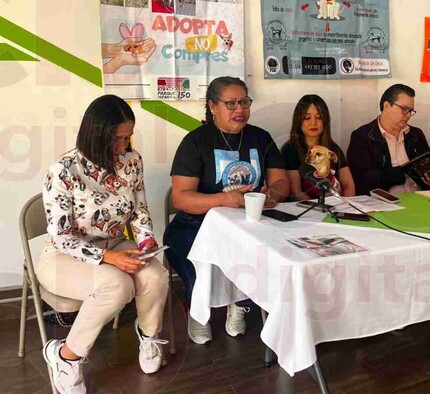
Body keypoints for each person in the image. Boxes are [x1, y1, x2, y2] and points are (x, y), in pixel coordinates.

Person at [39, 95, 170, 393]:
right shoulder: (64, 170)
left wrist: (147, 239)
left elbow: (139, 210)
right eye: (117, 139)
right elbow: (62, 236)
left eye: (128, 137)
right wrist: (111, 258)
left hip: (115, 243)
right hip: (64, 254)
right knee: (118, 286)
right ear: (95, 135)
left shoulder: (132, 161)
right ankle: (65, 356)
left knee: (155, 274)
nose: (123, 146)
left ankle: (149, 337)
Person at [163, 76, 289, 344]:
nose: (239, 109)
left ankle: (239, 304)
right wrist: (224, 199)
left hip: (250, 221)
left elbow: (280, 182)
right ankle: (199, 312)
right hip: (196, 223)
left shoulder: (260, 137)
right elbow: (181, 198)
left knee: (268, 253)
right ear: (212, 106)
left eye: (244, 102)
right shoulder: (196, 142)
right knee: (194, 258)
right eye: (230, 103)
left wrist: (272, 195)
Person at [347, 84, 430, 195]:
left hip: (419, 198)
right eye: (404, 109)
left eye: (411, 110)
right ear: (387, 106)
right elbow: (363, 179)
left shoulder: (416, 135)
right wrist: (406, 172)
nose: (408, 115)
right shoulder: (362, 137)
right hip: (383, 202)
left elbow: (428, 167)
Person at [281, 94, 355, 201]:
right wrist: (320, 211)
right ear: (298, 120)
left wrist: (345, 207)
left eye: (319, 117)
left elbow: (349, 186)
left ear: (325, 121)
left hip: (338, 208)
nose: (313, 123)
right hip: (307, 210)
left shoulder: (334, 149)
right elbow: (296, 192)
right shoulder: (289, 150)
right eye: (307, 118)